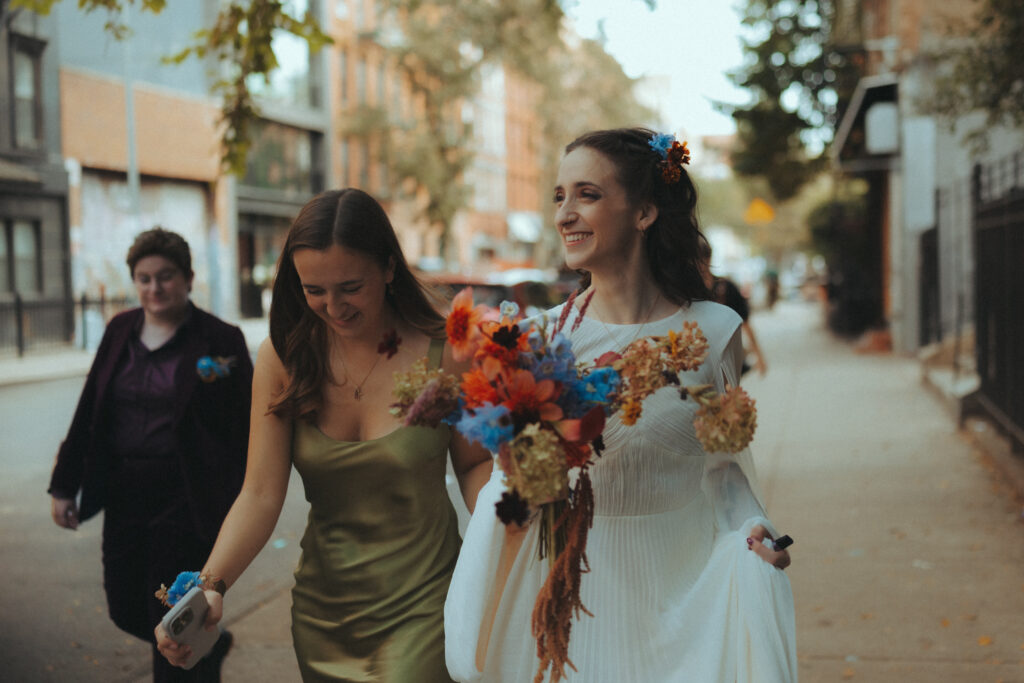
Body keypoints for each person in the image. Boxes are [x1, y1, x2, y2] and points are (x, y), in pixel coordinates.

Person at [445, 128, 797, 682]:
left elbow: (724, 472)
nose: (565, 214)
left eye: (587, 194)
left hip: (685, 612)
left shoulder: (714, 330)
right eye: (559, 196)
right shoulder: (535, 342)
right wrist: (519, 475)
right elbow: (509, 498)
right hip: (572, 612)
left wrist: (755, 531)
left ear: (645, 211)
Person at [155, 188, 492, 682]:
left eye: (350, 286)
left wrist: (513, 531)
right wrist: (210, 585)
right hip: (323, 612)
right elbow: (260, 493)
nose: (333, 306)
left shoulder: (449, 351)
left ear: (389, 268)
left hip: (426, 601)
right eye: (314, 289)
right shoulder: (284, 358)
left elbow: (474, 464)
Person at [48, 227, 252, 682]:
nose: (154, 288)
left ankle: (195, 655)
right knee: (124, 608)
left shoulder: (222, 340)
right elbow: (89, 411)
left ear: (188, 278)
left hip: (186, 501)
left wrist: (235, 500)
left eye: (165, 276)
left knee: (174, 627)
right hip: (124, 497)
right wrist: (64, 486)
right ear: (134, 282)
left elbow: (248, 430)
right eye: (144, 278)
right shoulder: (120, 330)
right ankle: (207, 648)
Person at [697, 235, 768, 377]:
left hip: (726, 358)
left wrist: (759, 355)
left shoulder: (726, 287)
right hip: (699, 360)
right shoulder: (688, 291)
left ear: (709, 259)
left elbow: (745, 322)